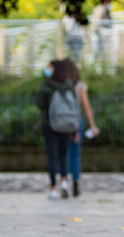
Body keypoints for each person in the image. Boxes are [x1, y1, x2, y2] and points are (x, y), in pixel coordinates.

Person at [37, 60, 76, 199]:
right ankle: (64, 181)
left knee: (52, 156)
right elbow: (74, 106)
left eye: (49, 67)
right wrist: (75, 130)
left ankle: (54, 188)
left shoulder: (46, 85)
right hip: (66, 124)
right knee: (63, 154)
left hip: (49, 123)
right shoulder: (68, 85)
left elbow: (40, 104)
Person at [62, 59, 100, 197]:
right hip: (77, 122)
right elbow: (87, 108)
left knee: (64, 153)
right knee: (75, 154)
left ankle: (64, 181)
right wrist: (93, 126)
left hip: (63, 123)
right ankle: (76, 184)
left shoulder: (60, 85)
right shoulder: (80, 86)